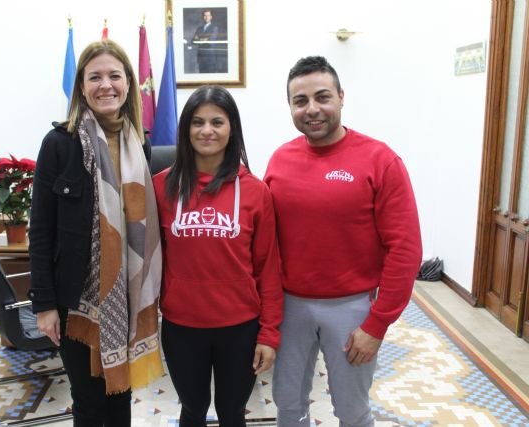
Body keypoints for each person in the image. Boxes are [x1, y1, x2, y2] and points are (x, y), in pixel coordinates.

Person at [264, 56, 423, 427]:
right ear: (290, 106)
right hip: (289, 308)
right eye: (300, 101)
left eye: (322, 97)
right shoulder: (279, 160)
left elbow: (405, 249)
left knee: (352, 410)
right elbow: (265, 244)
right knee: (288, 405)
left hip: (352, 311)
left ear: (341, 97)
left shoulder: (380, 160)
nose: (312, 109)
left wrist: (377, 325)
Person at [28, 39, 163, 427]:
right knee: (88, 402)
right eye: (95, 77)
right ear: (82, 87)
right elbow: (41, 231)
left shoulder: (141, 145)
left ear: (128, 84)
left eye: (114, 76)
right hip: (77, 301)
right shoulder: (59, 144)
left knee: (120, 394)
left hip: (127, 294)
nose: (106, 85)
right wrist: (45, 305)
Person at [152, 85, 283, 427]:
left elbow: (268, 268)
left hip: (240, 327)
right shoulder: (160, 188)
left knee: (232, 412)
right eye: (197, 122)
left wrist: (269, 333)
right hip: (182, 327)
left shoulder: (256, 192)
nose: (206, 130)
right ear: (185, 130)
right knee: (192, 409)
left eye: (216, 122)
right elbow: (147, 261)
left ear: (232, 129)